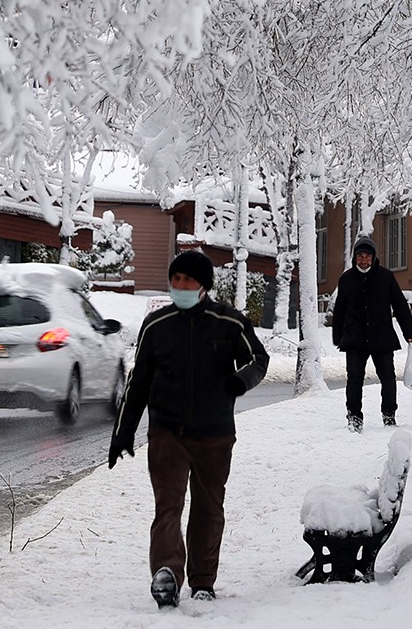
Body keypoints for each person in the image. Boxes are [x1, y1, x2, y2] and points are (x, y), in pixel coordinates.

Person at [108, 249, 268, 608]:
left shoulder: (229, 322)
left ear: (203, 286)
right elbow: (139, 382)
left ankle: (202, 580)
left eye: (188, 280)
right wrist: (123, 431)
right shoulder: (157, 325)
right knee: (168, 506)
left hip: (215, 434)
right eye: (175, 279)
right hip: (167, 432)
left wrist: (240, 381)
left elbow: (259, 359)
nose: (180, 286)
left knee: (208, 508)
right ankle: (166, 573)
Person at [330, 235, 412, 431]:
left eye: (367, 256)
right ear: (355, 258)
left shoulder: (386, 277)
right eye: (360, 256)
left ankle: (389, 415)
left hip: (382, 337)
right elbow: (340, 310)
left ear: (373, 257)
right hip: (355, 339)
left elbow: (400, 305)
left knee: (388, 378)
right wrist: (338, 337)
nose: (364, 260)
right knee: (354, 379)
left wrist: (408, 332)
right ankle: (354, 417)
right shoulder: (346, 279)